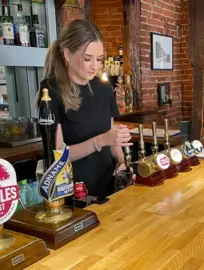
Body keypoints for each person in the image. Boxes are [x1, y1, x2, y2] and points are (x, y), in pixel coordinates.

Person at [37, 20, 133, 200]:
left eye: (99, 59)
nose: (95, 66)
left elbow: (111, 139)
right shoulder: (51, 91)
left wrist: (122, 162)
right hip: (74, 192)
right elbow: (57, 156)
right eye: (88, 59)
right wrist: (99, 141)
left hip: (107, 186)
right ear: (67, 54)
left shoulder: (103, 89)